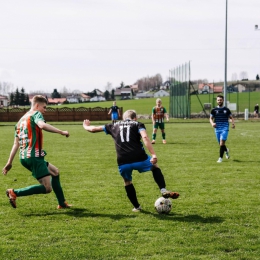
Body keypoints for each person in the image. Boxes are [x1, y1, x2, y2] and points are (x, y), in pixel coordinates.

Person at [83, 110, 179, 212]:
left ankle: (137, 207)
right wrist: (153, 154)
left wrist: (85, 126)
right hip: (139, 157)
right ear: (135, 118)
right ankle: (163, 189)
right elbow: (145, 137)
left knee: (127, 181)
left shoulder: (113, 125)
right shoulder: (138, 124)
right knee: (154, 167)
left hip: (123, 160)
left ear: (123, 118)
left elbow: (93, 129)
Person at [2, 95, 71, 209]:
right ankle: (14, 192)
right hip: (33, 156)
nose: (45, 110)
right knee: (47, 188)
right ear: (37, 105)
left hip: (24, 157)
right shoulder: (36, 114)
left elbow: (16, 144)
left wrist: (9, 162)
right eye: (44, 107)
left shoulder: (19, 122)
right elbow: (42, 125)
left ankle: (62, 203)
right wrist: (61, 132)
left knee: (55, 172)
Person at [209, 95, 235, 163]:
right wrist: (212, 124)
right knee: (221, 144)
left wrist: (233, 124)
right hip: (217, 129)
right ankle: (226, 151)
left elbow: (231, 117)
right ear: (216, 101)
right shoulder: (214, 110)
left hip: (225, 128)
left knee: (221, 143)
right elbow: (211, 118)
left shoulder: (226, 110)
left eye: (220, 100)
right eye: (218, 100)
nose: (219, 101)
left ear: (223, 100)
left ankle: (220, 158)